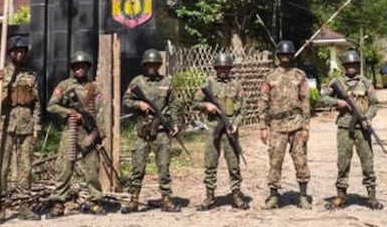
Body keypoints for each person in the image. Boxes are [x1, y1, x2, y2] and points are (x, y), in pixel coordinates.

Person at [0, 35, 40, 223]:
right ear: (10, 53)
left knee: (26, 166)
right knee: (2, 166)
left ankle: (24, 205)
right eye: (16, 51)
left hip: (25, 123)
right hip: (4, 123)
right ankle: (0, 208)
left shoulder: (31, 75)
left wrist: (36, 126)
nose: (19, 53)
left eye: (22, 51)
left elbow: (37, 104)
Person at [319, 50, 382, 210]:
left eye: (354, 64)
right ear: (345, 66)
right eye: (349, 65)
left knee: (367, 162)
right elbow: (323, 98)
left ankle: (372, 196)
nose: (352, 67)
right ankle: (341, 195)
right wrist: (338, 102)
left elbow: (374, 103)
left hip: (363, 128)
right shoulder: (337, 82)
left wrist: (367, 117)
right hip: (344, 128)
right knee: (343, 162)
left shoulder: (366, 83)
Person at [121, 49, 182, 213]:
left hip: (161, 131)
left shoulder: (167, 82)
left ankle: (166, 199)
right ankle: (133, 200)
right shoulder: (137, 82)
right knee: (137, 167)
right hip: (142, 131)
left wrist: (175, 125)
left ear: (159, 65)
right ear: (145, 65)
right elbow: (126, 100)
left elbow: (174, 105)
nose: (152, 67)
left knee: (164, 167)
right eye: (149, 64)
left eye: (155, 64)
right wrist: (139, 105)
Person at [45, 51, 105, 218]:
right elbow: (51, 106)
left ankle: (94, 201)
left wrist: (102, 134)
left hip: (89, 132)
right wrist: (69, 112)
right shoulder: (64, 86)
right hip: (71, 131)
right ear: (73, 68)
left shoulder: (95, 87)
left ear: (87, 68)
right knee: (65, 168)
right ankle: (58, 203)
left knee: (92, 168)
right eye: (77, 67)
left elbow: (101, 111)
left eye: (83, 66)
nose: (80, 69)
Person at [257, 40, 312, 209]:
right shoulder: (270, 77)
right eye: (282, 55)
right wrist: (262, 126)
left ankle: (302, 196)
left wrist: (306, 127)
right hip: (277, 126)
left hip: (296, 124)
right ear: (278, 56)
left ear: (292, 55)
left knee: (300, 160)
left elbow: (305, 101)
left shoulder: (300, 76)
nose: (285, 58)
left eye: (288, 54)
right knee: (275, 161)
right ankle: (273, 196)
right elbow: (263, 101)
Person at [192, 52, 250, 211]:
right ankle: (210, 196)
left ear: (230, 68)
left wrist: (236, 123)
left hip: (230, 127)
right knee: (210, 163)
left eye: (226, 67)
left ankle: (237, 195)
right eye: (220, 67)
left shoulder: (236, 85)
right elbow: (195, 103)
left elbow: (243, 108)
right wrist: (206, 106)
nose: (223, 70)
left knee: (234, 164)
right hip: (213, 128)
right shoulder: (208, 84)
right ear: (216, 68)